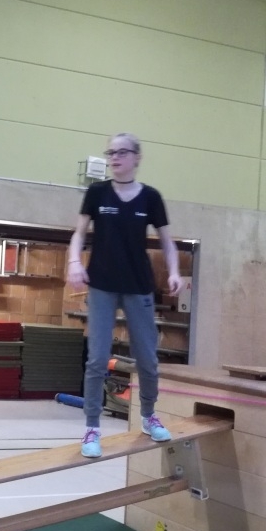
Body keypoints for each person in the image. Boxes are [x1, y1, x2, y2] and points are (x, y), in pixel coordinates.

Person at [66, 134, 182, 459]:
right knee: (97, 359)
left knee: (147, 359)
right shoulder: (97, 193)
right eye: (111, 152)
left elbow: (167, 241)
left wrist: (174, 271)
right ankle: (92, 427)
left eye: (122, 152)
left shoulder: (151, 198)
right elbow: (78, 234)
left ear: (137, 157)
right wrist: (74, 262)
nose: (115, 157)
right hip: (102, 285)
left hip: (139, 286)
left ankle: (148, 415)